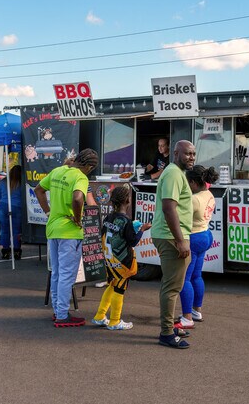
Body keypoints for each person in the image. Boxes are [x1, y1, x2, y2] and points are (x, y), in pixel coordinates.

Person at [34, 148, 98, 328]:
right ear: (88, 166)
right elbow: (78, 199)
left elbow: (38, 189)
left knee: (56, 273)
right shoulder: (80, 177)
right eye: (91, 169)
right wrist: (78, 219)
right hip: (69, 232)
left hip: (53, 228)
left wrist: (47, 211)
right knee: (66, 276)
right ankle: (62, 315)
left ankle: (58, 310)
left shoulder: (57, 171)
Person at [151, 140, 196, 349]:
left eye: (194, 154)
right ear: (176, 153)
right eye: (188, 154)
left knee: (174, 285)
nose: (192, 158)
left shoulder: (176, 173)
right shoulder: (173, 174)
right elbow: (169, 208)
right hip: (170, 237)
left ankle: (170, 327)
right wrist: (180, 241)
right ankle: (167, 333)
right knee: (171, 287)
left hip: (172, 235)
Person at [92, 185, 151, 331]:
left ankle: (100, 316)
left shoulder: (108, 218)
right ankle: (114, 320)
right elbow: (133, 242)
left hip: (109, 258)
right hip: (122, 262)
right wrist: (142, 230)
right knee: (120, 289)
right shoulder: (126, 221)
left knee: (112, 285)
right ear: (127, 200)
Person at [175, 165, 218, 329]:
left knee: (184, 278)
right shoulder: (209, 194)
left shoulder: (193, 199)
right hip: (206, 235)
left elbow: (177, 217)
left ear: (193, 182)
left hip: (193, 238)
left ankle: (186, 318)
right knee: (196, 276)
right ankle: (196, 311)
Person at [0, 165, 23, 260]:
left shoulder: (3, 182)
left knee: (4, 230)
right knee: (17, 231)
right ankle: (17, 251)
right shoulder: (21, 183)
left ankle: (5, 251)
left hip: (3, 206)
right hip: (17, 207)